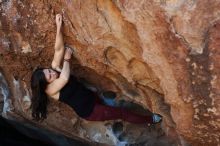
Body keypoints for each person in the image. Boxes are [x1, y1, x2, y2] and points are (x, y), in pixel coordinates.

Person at [30, 14, 162, 124]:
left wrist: (58, 26)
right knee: (122, 113)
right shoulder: (50, 90)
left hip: (91, 97)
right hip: (90, 111)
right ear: (46, 83)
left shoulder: (54, 69)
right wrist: (67, 59)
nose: (52, 73)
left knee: (111, 107)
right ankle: (151, 120)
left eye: (49, 71)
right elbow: (64, 78)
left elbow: (58, 49)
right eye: (50, 76)